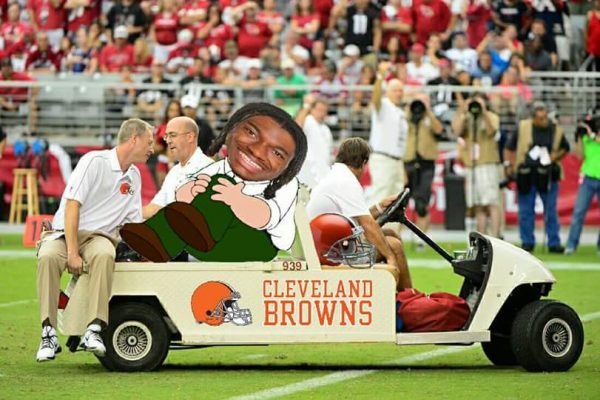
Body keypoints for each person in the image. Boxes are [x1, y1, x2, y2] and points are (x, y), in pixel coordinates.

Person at [120, 103, 307, 263]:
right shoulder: (220, 167)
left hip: (257, 246)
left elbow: (265, 217)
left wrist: (237, 200)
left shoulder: (285, 184)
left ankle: (178, 239)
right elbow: (182, 197)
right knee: (184, 207)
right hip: (209, 242)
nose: (257, 152)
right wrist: (191, 190)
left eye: (277, 153)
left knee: (220, 187)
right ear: (231, 130)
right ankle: (150, 241)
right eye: (251, 133)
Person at [35, 118, 154, 362]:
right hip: (65, 232)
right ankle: (48, 333)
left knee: (105, 254)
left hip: (99, 238)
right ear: (134, 139)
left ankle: (94, 328)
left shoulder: (134, 176)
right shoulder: (94, 161)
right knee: (47, 256)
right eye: (149, 142)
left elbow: (132, 223)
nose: (152, 148)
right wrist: (72, 252)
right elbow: (72, 206)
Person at [306, 137, 412, 290]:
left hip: (327, 244)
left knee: (390, 233)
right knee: (394, 246)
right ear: (363, 163)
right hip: (329, 253)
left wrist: (379, 207)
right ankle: (408, 297)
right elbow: (367, 225)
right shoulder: (346, 181)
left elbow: (356, 219)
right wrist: (390, 258)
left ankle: (400, 295)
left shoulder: (337, 175)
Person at [504, 101, 570, 252]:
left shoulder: (555, 129)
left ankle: (553, 242)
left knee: (550, 210)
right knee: (526, 211)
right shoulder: (522, 127)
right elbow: (509, 147)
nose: (544, 120)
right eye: (540, 118)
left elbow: (565, 148)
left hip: (548, 174)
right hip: (527, 173)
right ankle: (527, 241)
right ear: (533, 117)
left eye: (545, 117)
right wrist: (508, 165)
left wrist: (554, 157)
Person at [143, 116, 213, 221]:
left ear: (190, 137)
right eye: (166, 136)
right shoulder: (174, 171)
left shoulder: (209, 169)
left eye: (173, 135)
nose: (168, 141)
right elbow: (155, 206)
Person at [452, 93, 501, 237]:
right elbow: (457, 132)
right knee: (478, 205)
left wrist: (483, 111)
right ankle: (482, 239)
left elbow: (492, 131)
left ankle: (495, 237)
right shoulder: (467, 118)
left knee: (492, 202)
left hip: (487, 164)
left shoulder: (491, 116)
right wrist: (463, 112)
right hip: (472, 165)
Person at [404, 95, 444, 249]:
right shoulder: (406, 118)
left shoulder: (430, 118)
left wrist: (428, 112)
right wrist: (408, 110)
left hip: (426, 163)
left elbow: (439, 130)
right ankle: (396, 236)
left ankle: (421, 239)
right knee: (400, 202)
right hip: (407, 162)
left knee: (422, 203)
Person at [369, 62, 408, 205]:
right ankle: (370, 220)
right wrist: (380, 76)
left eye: (401, 90)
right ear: (387, 92)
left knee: (396, 200)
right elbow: (375, 97)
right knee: (380, 195)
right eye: (395, 90)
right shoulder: (383, 105)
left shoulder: (400, 112)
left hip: (397, 160)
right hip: (383, 158)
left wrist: (401, 164)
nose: (399, 93)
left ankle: (391, 223)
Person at [565, 114, 600, 255]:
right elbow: (579, 155)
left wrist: (592, 135)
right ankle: (571, 245)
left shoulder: (593, 137)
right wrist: (578, 138)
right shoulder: (587, 138)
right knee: (578, 213)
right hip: (588, 178)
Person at [295, 94, 333, 189]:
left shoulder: (326, 129)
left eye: (324, 111)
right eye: (319, 110)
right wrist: (306, 105)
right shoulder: (308, 121)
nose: (322, 113)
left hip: (323, 172)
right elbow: (297, 126)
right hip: (308, 172)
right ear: (311, 110)